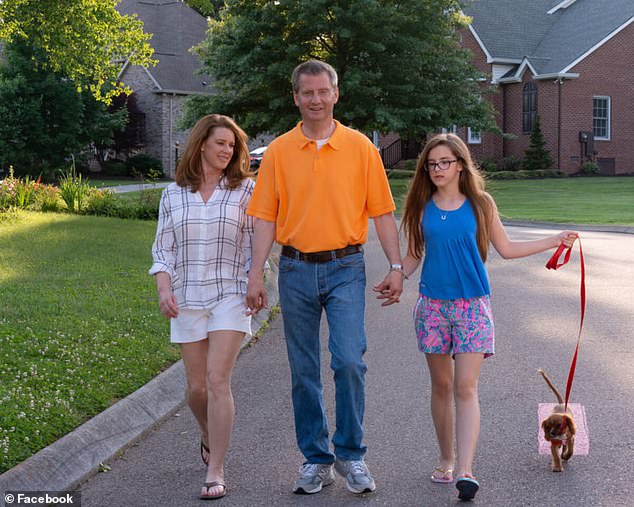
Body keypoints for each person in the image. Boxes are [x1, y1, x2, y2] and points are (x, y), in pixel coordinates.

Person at [384, 133, 578, 501]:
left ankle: (466, 470)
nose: (437, 169)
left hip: (472, 307)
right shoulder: (421, 205)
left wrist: (553, 240)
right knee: (441, 386)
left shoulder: (481, 204)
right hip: (433, 307)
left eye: (445, 162)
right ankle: (446, 459)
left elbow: (506, 249)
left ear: (460, 164)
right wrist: (396, 275)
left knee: (466, 387)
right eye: (431, 163)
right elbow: (412, 256)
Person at [245, 60, 404, 495]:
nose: (315, 100)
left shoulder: (361, 149)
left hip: (345, 267)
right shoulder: (278, 152)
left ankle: (351, 454)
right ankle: (316, 459)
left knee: (349, 360)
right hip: (295, 269)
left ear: (336, 94)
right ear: (296, 97)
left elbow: (383, 213)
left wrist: (395, 266)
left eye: (323, 91)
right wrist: (255, 275)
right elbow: (263, 218)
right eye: (307, 93)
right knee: (304, 370)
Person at [149, 114, 254, 500]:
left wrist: (256, 280)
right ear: (201, 145)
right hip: (187, 297)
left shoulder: (246, 191)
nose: (227, 151)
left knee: (216, 380)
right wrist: (164, 290)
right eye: (221, 143)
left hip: (231, 294)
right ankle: (209, 433)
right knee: (195, 389)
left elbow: (257, 244)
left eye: (232, 145)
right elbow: (163, 251)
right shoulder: (174, 194)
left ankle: (216, 469)